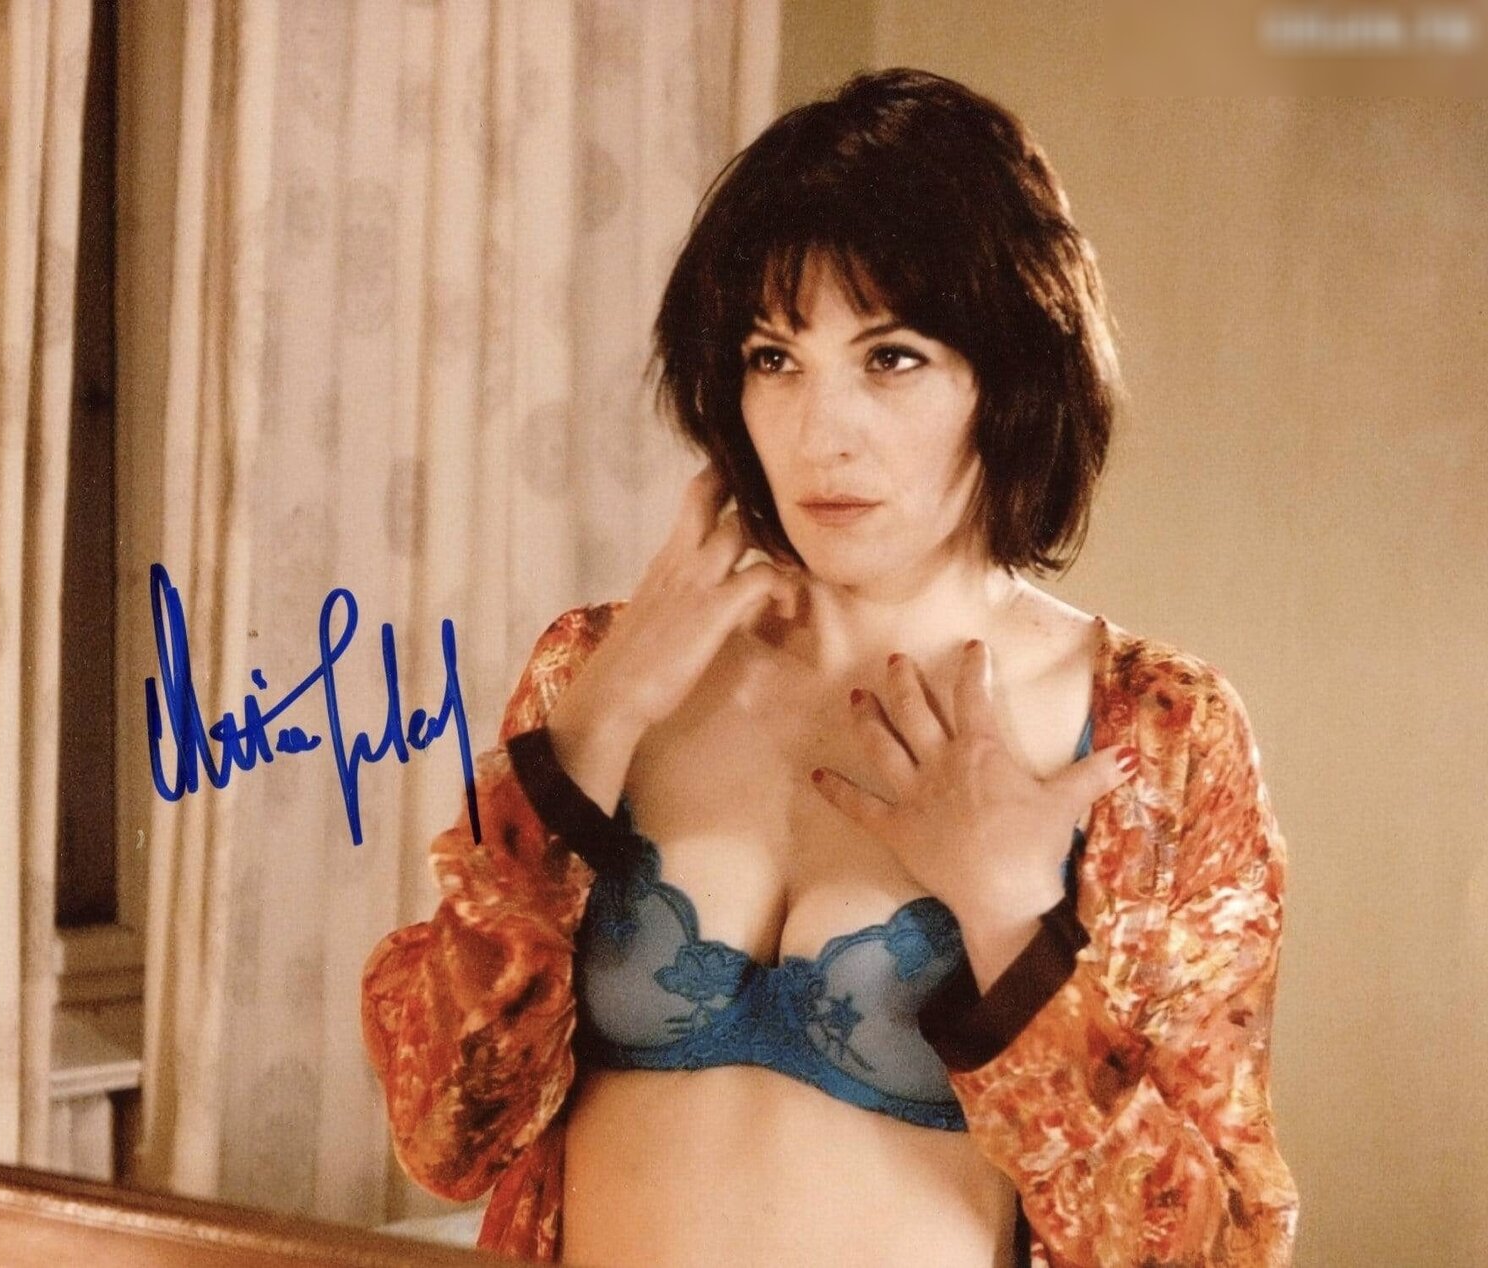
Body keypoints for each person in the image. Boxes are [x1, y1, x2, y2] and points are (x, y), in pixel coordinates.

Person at [361, 67, 1297, 1266]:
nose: (821, 431)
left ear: (1011, 376)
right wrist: (591, 731)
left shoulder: (1153, 735)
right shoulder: (599, 667)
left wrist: (1009, 920)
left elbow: (1212, 1252)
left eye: (891, 357)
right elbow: (445, 1130)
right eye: (773, 357)